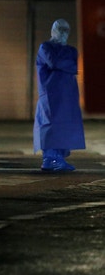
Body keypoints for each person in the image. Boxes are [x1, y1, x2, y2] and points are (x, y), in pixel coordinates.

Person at [34, 18, 85, 172]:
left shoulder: (71, 50)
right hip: (50, 95)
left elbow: (78, 66)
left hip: (67, 95)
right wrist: (68, 65)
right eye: (60, 29)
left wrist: (68, 65)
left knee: (65, 125)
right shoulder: (45, 47)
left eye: (65, 30)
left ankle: (58, 158)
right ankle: (50, 158)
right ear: (53, 30)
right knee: (50, 125)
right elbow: (54, 62)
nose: (63, 33)